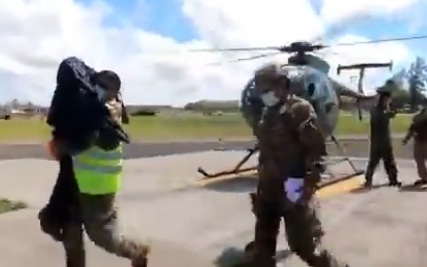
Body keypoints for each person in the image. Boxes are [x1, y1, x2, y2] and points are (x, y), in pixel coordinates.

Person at [242, 63, 349, 267]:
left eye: (267, 89)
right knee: (263, 249)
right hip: (268, 187)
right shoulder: (267, 113)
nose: (264, 94)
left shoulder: (299, 109)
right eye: (261, 90)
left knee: (305, 246)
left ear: (282, 85)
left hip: (293, 186)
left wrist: (308, 185)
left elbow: (317, 151)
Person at [46, 69, 149, 267]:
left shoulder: (106, 110)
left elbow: (87, 139)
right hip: (80, 179)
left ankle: (136, 251)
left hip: (98, 185)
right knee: (69, 228)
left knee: (100, 235)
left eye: (101, 86)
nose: (96, 89)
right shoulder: (95, 106)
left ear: (113, 91)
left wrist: (60, 147)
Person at [364, 85, 401, 188]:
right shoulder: (378, 110)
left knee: (389, 162)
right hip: (378, 141)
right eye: (388, 99)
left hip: (384, 141)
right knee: (374, 162)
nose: (389, 101)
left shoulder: (383, 109)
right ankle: (368, 180)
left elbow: (388, 115)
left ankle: (393, 180)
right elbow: (381, 120)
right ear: (384, 99)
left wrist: (390, 113)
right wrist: (389, 114)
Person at [402, 100, 427, 186]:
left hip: (421, 141)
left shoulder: (418, 117)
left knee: (419, 159)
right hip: (420, 141)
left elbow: (412, 128)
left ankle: (424, 177)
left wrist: (406, 139)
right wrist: (406, 138)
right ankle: (424, 177)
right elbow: (412, 129)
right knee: (419, 159)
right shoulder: (417, 117)